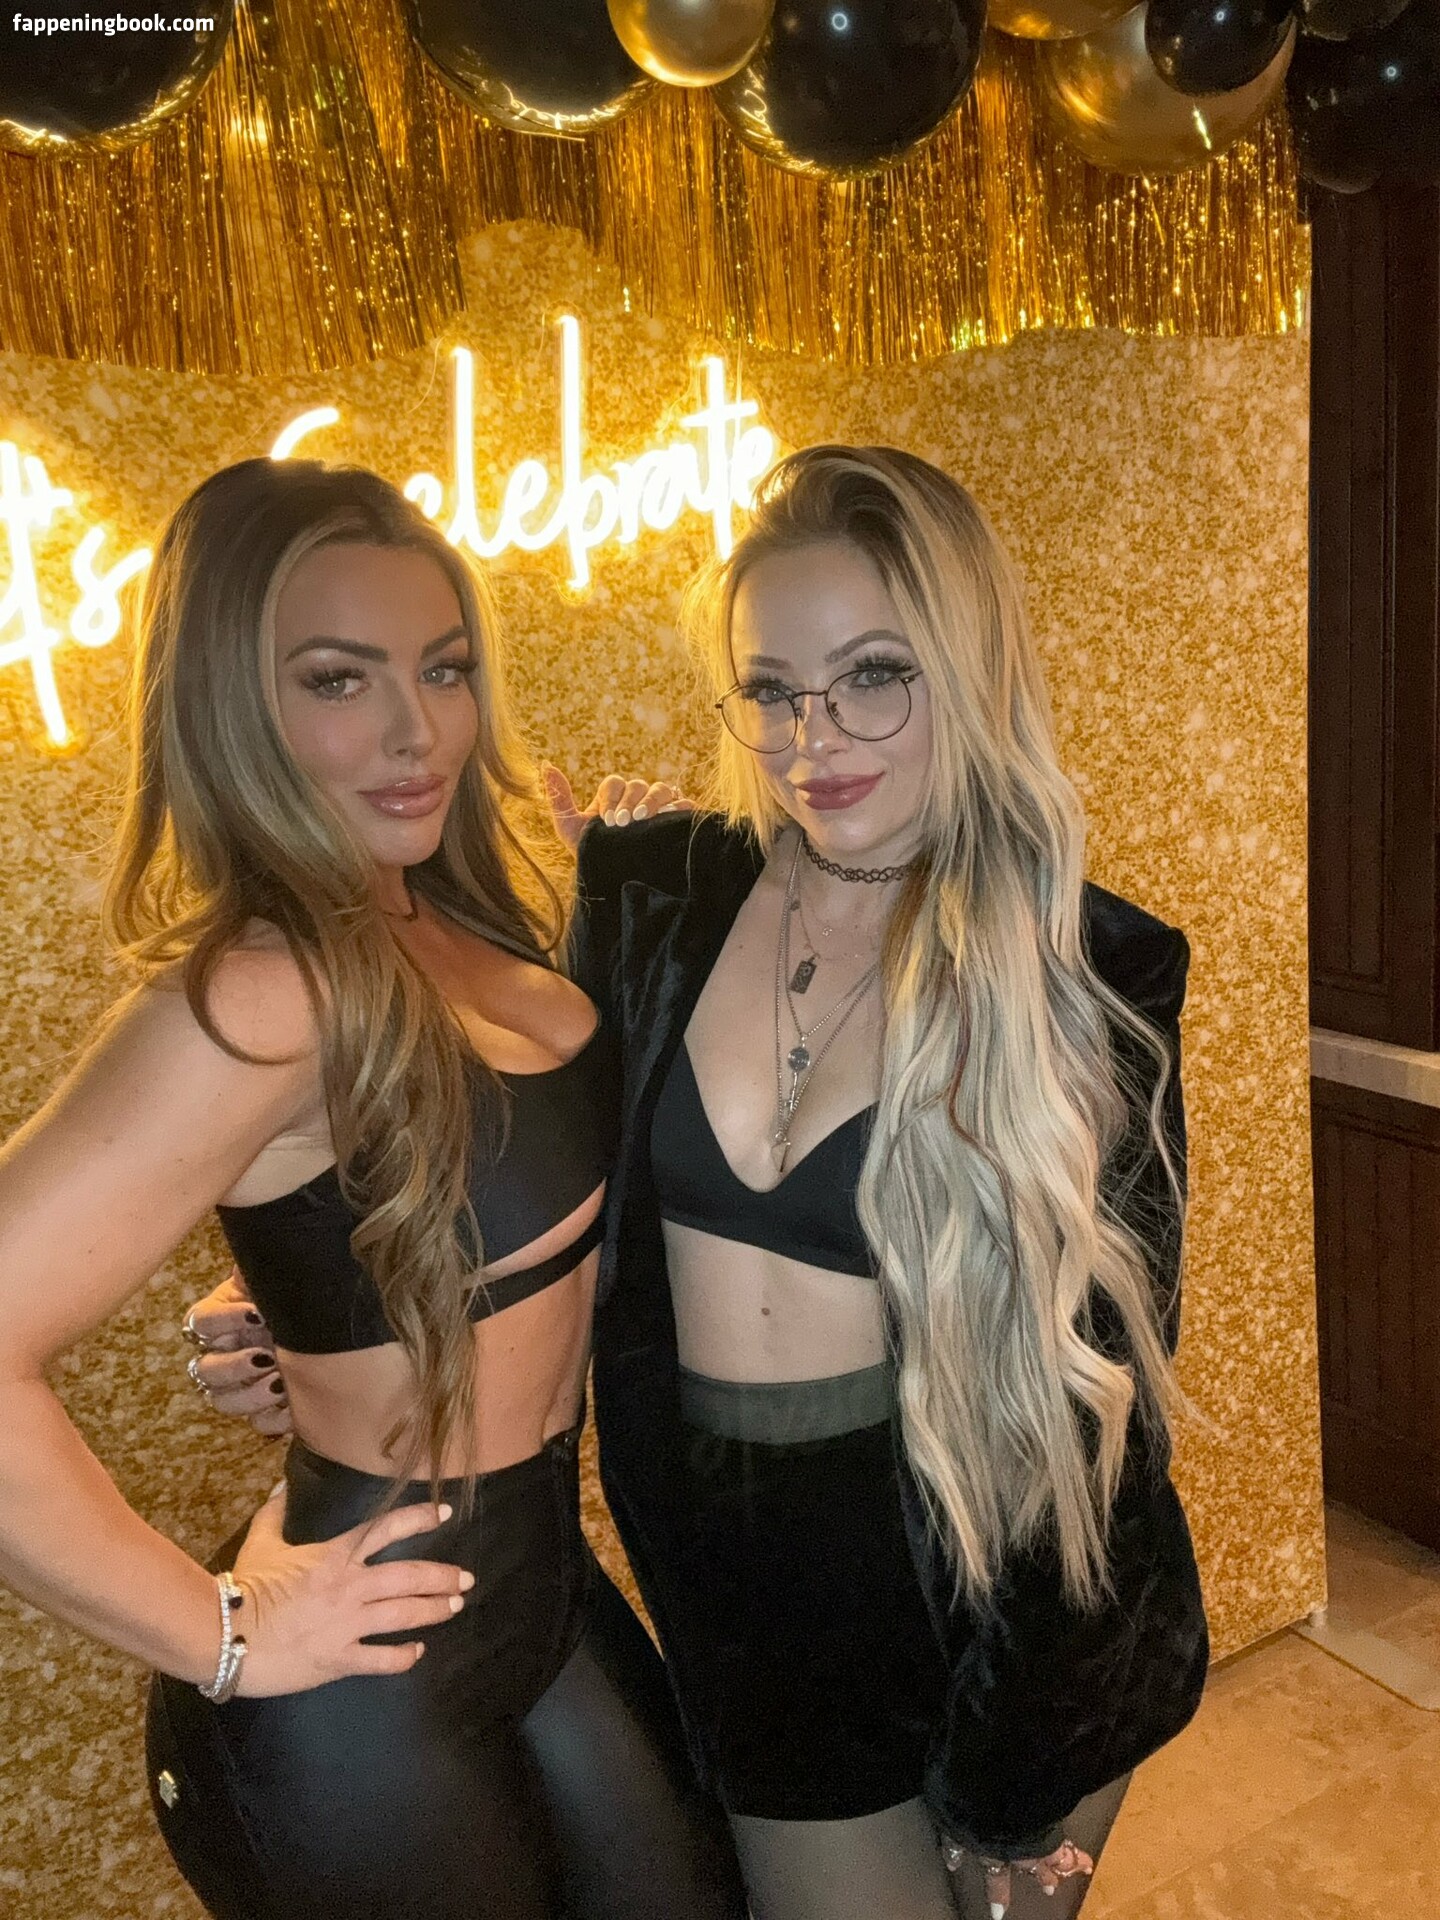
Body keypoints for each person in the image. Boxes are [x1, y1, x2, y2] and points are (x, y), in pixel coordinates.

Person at [193, 445, 1210, 1919]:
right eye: (771, 690)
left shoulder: (1089, 973)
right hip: (749, 1598)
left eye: (874, 676)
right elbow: (534, 1173)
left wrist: (1036, 1759)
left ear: (970, 665)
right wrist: (319, 1300)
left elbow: (1100, 1402)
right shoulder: (659, 893)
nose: (815, 739)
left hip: (1009, 1601)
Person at [0, 458, 747, 1920]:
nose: (419, 731)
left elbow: (471, 1196)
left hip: (540, 1587)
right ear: (234, 705)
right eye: (339, 680)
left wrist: (317, 1285)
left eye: (443, 669)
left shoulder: (454, 918)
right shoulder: (264, 989)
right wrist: (218, 1634)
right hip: (357, 1688)